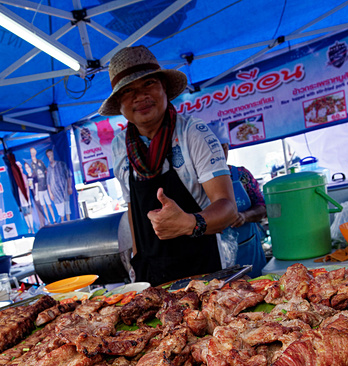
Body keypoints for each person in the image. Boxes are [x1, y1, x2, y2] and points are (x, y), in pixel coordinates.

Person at [102, 46, 237, 286]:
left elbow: (228, 208)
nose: (140, 96)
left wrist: (189, 223)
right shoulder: (119, 146)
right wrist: (136, 257)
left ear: (164, 88)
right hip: (151, 274)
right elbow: (133, 208)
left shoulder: (193, 133)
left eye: (148, 84)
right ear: (119, 105)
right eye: (128, 90)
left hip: (203, 270)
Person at [208, 121, 268, 278]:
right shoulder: (198, 184)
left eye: (224, 148)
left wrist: (244, 216)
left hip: (249, 251)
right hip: (217, 257)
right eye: (214, 150)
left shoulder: (242, 175)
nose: (220, 154)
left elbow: (262, 207)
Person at [47, 148, 74, 222]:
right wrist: (50, 193)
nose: (50, 157)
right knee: (60, 210)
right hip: (55, 193)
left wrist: (69, 187)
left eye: (51, 155)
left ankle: (69, 223)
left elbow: (68, 176)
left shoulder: (62, 164)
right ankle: (62, 223)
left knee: (67, 207)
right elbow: (48, 183)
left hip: (64, 190)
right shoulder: (49, 168)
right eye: (48, 156)